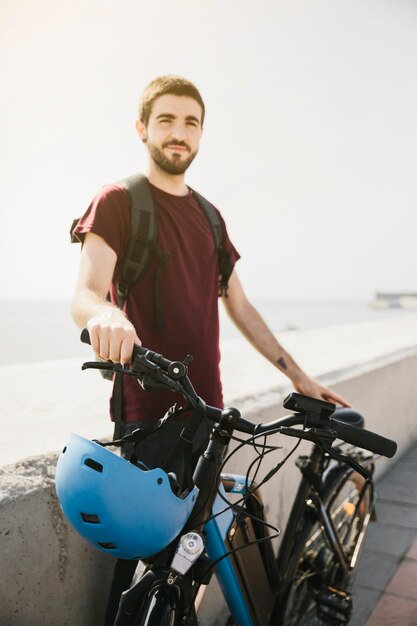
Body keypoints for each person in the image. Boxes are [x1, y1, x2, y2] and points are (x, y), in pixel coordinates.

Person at [71, 75, 350, 624]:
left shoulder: (210, 217)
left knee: (195, 560)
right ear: (142, 128)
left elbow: (240, 307)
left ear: (201, 135)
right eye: (167, 120)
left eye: (191, 123)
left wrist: (299, 378)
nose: (179, 133)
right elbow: (85, 292)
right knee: (145, 574)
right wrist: (106, 314)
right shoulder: (120, 202)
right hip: (150, 418)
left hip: (210, 413)